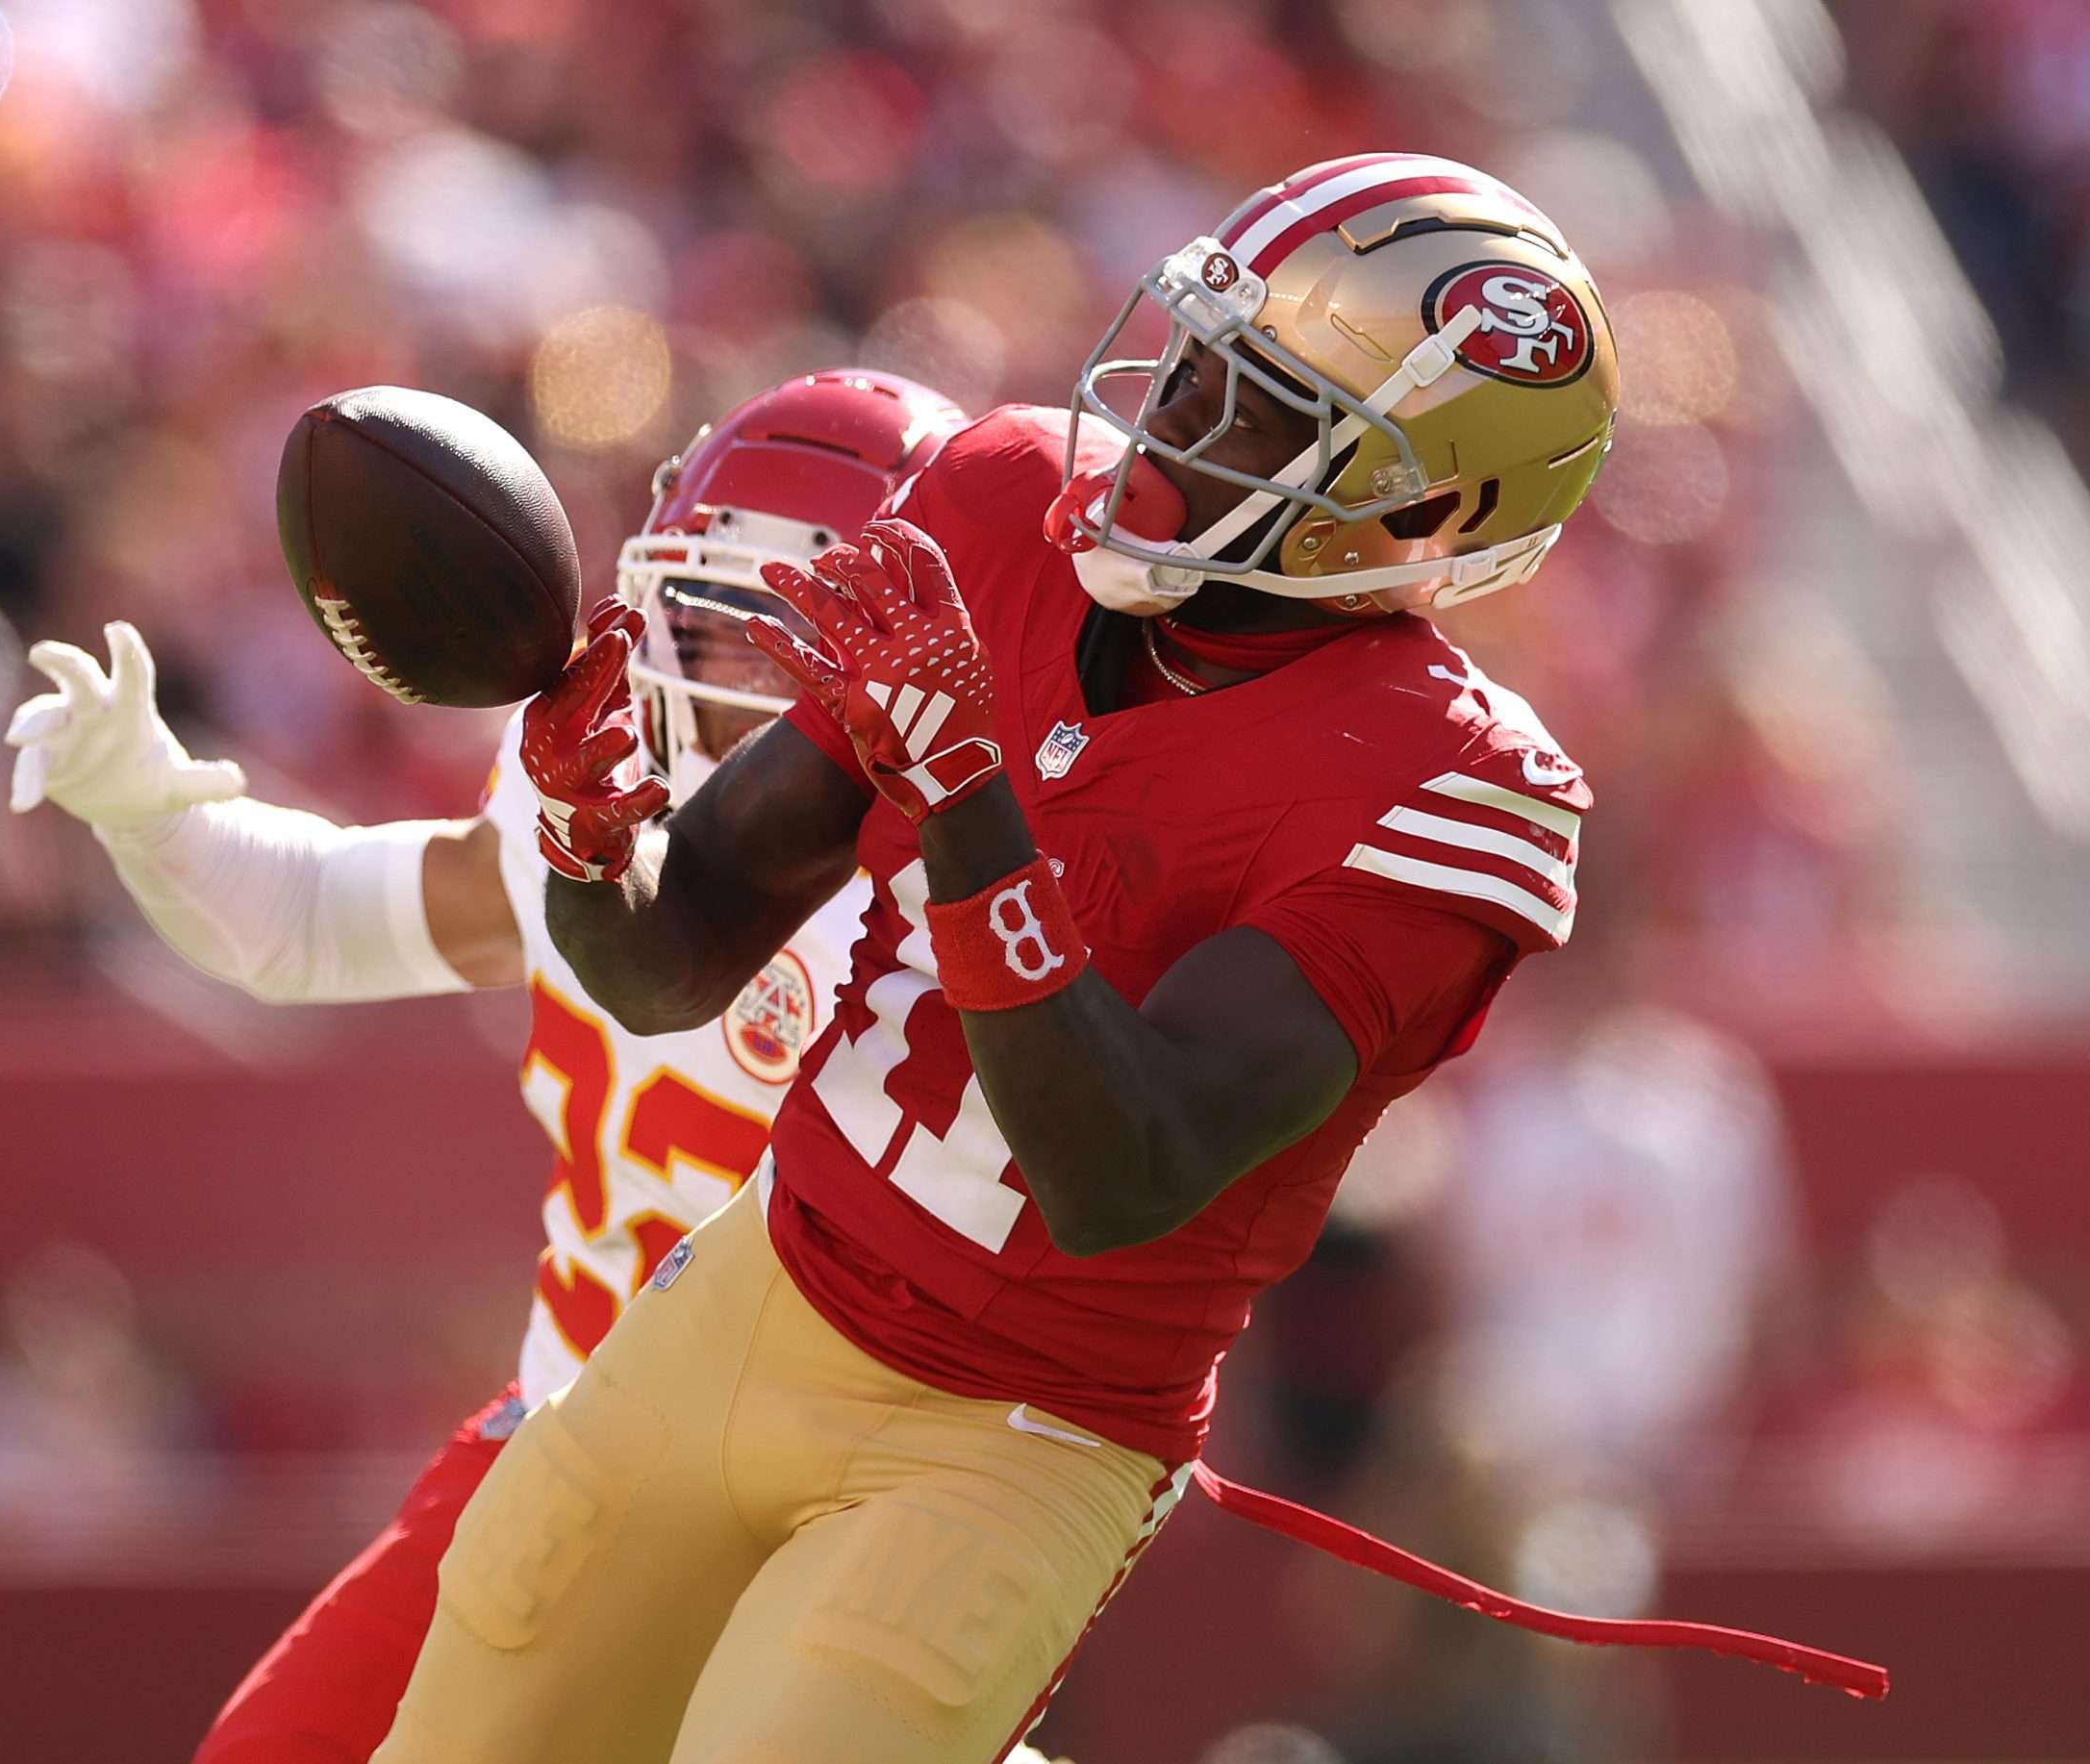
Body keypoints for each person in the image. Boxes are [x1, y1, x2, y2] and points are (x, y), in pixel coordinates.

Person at [370, 153, 1621, 1764]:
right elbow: (675, 961)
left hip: (1022, 1428)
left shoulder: (1454, 787)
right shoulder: (997, 505)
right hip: (761, 1284)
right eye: (1187, 354)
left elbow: (1121, 1165)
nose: (1167, 416)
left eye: (1249, 405)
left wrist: (967, 805)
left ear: (1419, 512)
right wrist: (586, 825)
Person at [3, 370, 975, 1763]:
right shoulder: (591, 778)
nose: (707, 664)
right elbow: (314, 919)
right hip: (564, 1429)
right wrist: (155, 812)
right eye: (695, 611)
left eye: (767, 636)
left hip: (819, 1500)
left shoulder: (946, 886)